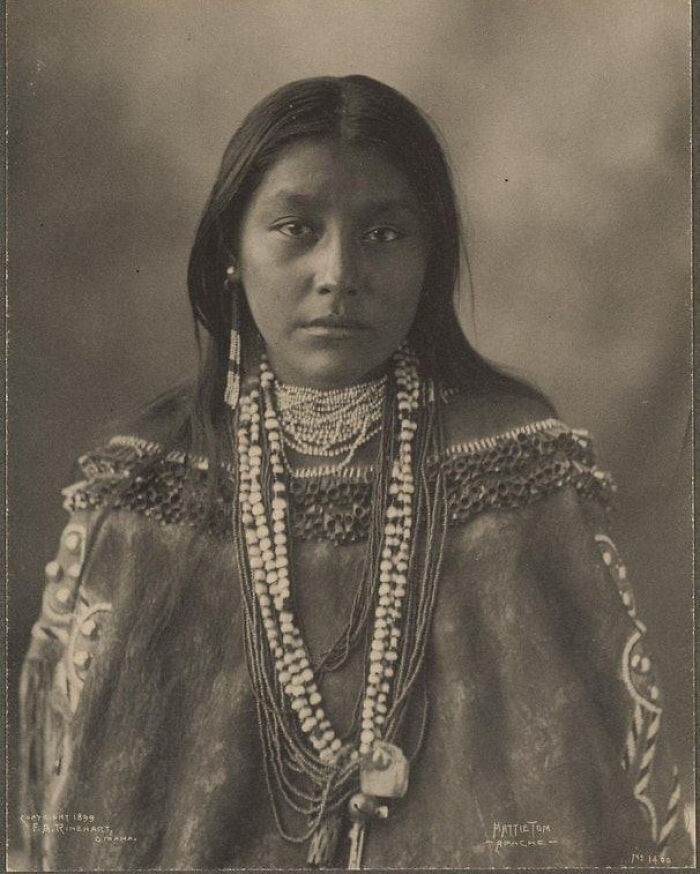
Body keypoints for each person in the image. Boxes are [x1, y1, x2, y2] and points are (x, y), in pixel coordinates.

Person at [19, 75, 693, 870]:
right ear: (230, 254)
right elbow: (67, 809)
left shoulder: (517, 472)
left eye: (383, 235)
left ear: (430, 255)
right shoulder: (144, 495)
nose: (339, 272)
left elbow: (604, 801)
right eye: (296, 228)